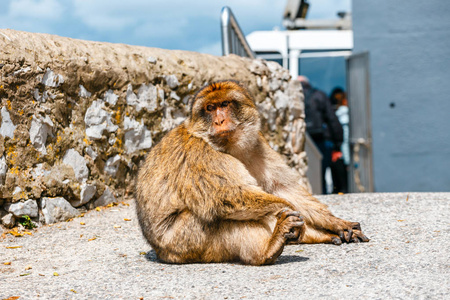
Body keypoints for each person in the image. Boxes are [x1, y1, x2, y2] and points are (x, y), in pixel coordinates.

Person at [298, 76, 343, 194]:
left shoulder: (293, 96)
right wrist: (338, 145)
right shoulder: (319, 95)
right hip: (322, 140)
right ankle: (322, 196)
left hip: (302, 140)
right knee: (321, 172)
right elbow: (332, 119)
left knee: (306, 173)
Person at [329, 87, 349, 193]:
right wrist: (347, 159)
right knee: (344, 186)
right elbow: (344, 139)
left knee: (336, 185)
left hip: (336, 153)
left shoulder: (335, 114)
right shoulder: (345, 115)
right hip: (341, 155)